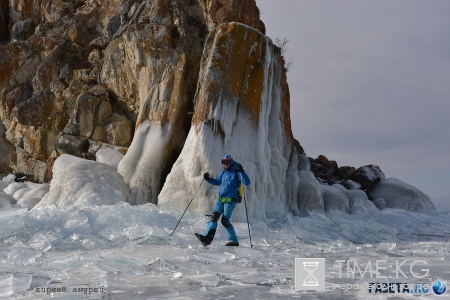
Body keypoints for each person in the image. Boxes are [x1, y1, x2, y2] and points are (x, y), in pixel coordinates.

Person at [195, 154, 250, 246]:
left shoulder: (237, 172)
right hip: (221, 199)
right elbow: (217, 182)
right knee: (214, 216)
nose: (226, 165)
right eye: (224, 162)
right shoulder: (223, 173)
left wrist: (242, 171)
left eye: (227, 162)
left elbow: (247, 182)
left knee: (224, 220)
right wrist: (208, 179)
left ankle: (234, 241)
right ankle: (207, 238)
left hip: (231, 199)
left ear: (231, 162)